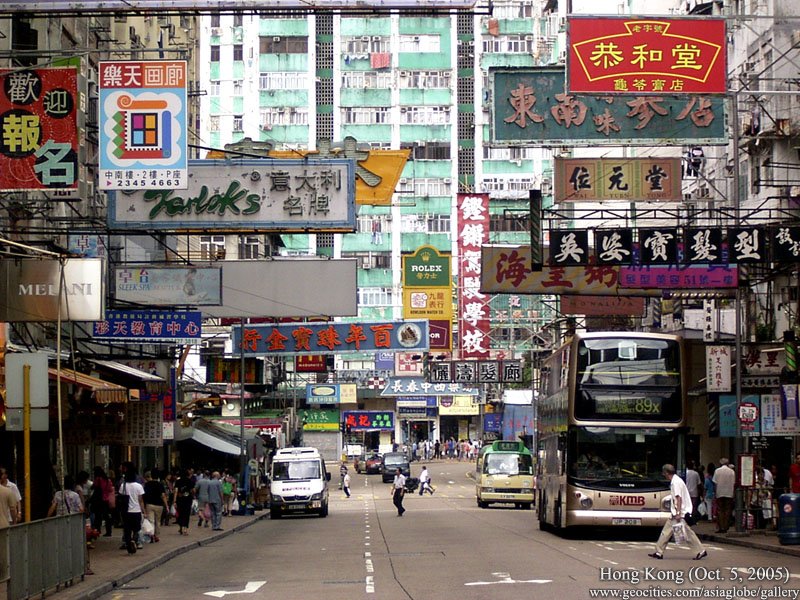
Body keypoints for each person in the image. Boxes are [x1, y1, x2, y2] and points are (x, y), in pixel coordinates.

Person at [648, 464, 707, 561]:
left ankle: (700, 551)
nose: (664, 475)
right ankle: (659, 552)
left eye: (664, 473)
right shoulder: (676, 480)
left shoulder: (676, 482)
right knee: (666, 532)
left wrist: (678, 513)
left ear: (666, 473)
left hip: (680, 512)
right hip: (677, 512)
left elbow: (678, 498)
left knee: (686, 534)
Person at [118, 467, 146, 554]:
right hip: (136, 510)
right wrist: (143, 510)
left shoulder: (123, 486)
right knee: (137, 528)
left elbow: (121, 497)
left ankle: (128, 543)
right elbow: (141, 500)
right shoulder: (139, 486)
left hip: (126, 511)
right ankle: (134, 540)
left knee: (127, 529)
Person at [143, 470, 169, 543]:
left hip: (149, 504)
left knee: (151, 520)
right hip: (159, 505)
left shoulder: (147, 484)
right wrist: (166, 505)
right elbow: (163, 496)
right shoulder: (160, 484)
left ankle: (151, 535)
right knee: (158, 521)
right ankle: (156, 536)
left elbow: (144, 495)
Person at [712, 457, 736, 533]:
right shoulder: (732, 472)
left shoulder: (717, 471)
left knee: (720, 510)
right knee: (728, 510)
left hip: (720, 492)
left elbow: (715, 483)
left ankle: (721, 526)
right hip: (729, 493)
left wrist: (715, 493)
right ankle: (726, 526)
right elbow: (734, 483)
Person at [89, 466, 114, 537]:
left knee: (98, 516)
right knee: (106, 516)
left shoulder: (98, 479)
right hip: (106, 499)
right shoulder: (108, 480)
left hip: (98, 500)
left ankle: (98, 530)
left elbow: (94, 487)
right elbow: (110, 489)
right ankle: (108, 531)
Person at [174, 469, 194, 536]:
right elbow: (192, 490)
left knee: (180, 513)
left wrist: (174, 501)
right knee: (186, 514)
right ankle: (185, 529)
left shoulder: (178, 481)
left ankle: (180, 527)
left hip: (180, 500)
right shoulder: (189, 481)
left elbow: (176, 491)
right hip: (188, 500)